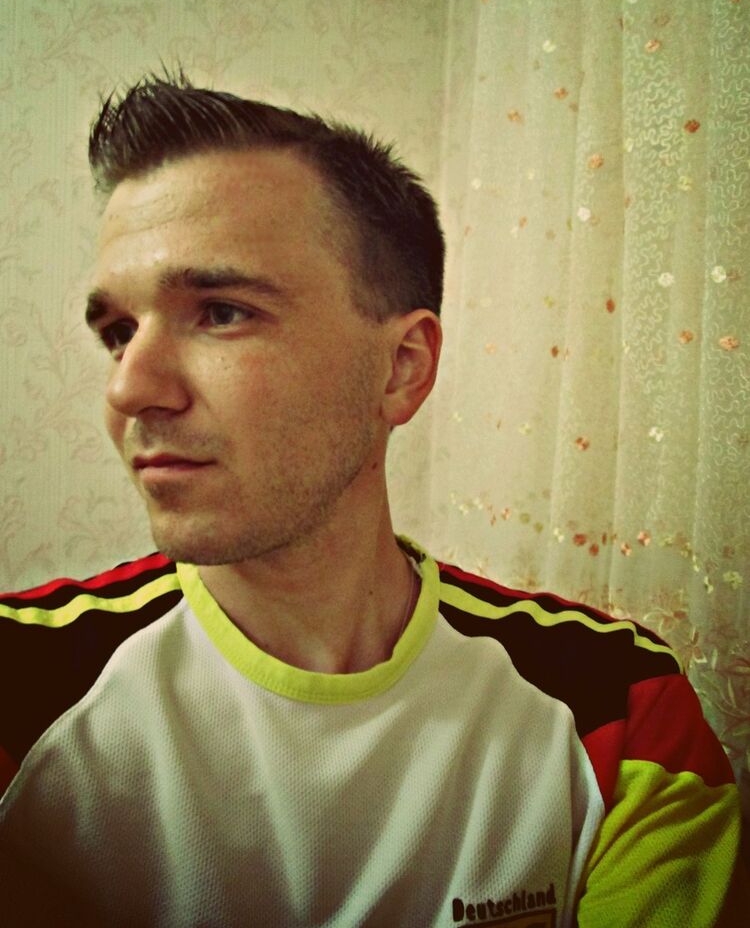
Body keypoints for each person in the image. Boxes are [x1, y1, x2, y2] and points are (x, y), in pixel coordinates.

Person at [0, 72, 742, 928]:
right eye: (119, 332)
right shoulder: (23, 686)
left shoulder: (617, 705)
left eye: (222, 312)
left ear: (401, 368)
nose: (129, 389)